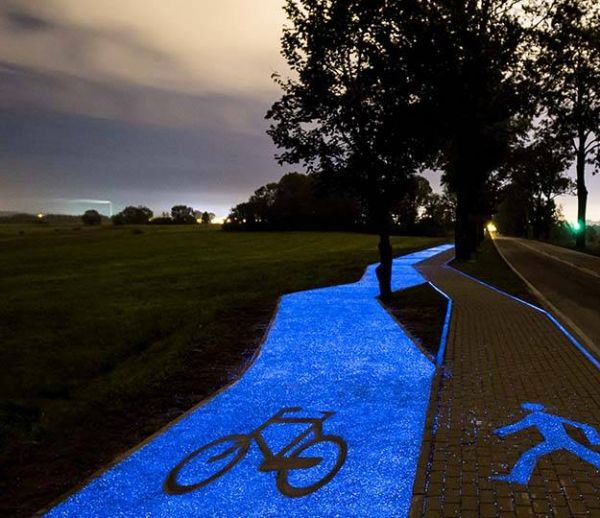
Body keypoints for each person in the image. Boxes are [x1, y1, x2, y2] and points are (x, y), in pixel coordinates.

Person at [492, 402, 600, 485]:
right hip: (563, 438)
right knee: (586, 454)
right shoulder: (550, 416)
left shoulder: (534, 416)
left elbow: (518, 426)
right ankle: (519, 477)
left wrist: (501, 431)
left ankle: (519, 478)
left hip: (557, 440)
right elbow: (574, 424)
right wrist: (593, 439)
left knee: (529, 454)